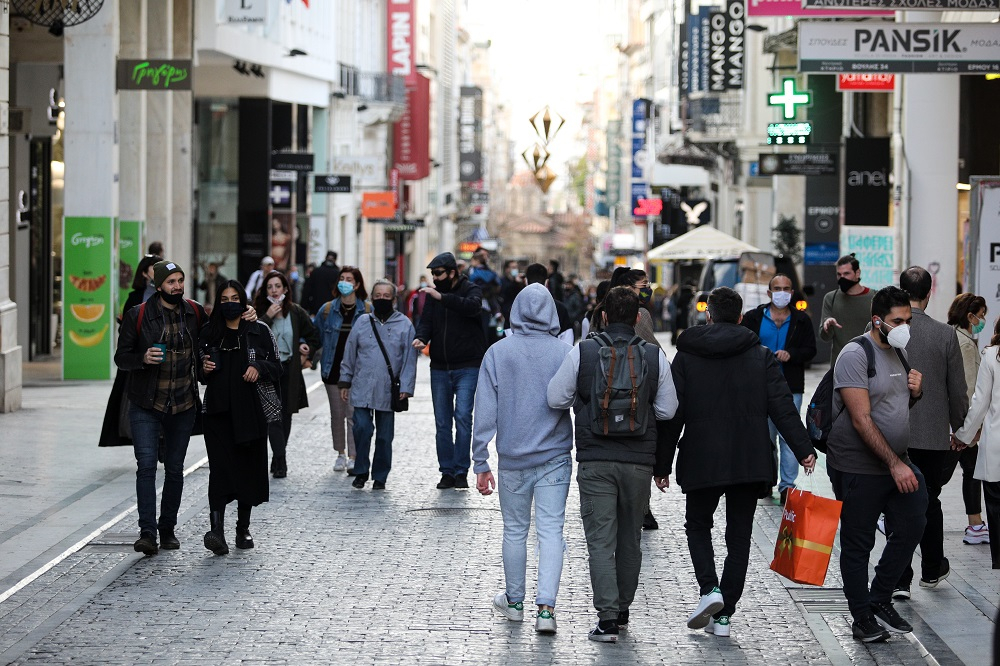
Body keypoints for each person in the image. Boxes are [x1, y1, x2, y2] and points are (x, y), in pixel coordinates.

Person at [662, 286, 816, 638]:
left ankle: (709, 590)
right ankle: (725, 614)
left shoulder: (686, 356)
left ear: (709, 314)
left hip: (702, 457)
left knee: (698, 525)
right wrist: (804, 448)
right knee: (739, 536)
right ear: (741, 315)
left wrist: (661, 464)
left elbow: (673, 414)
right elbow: (783, 407)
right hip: (749, 457)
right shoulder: (760, 355)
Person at [547, 287, 678, 642]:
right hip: (638, 462)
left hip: (596, 460)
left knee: (601, 542)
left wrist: (587, 402)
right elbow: (667, 410)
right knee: (630, 538)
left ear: (603, 316)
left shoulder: (584, 352)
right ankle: (622, 609)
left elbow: (555, 397)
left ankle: (606, 620)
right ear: (638, 317)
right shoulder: (654, 355)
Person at [827, 285, 926, 643]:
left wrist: (916, 394)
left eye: (908, 320)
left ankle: (880, 597)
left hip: (897, 460)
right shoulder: (855, 354)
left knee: (915, 522)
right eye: (897, 321)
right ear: (877, 320)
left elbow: (895, 409)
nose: (904, 327)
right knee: (858, 542)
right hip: (858, 466)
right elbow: (862, 419)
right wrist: (895, 465)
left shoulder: (900, 351)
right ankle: (861, 616)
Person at [473, 284, 574, 635]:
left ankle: (514, 602)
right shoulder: (565, 352)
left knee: (515, 531)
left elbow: (484, 409)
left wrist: (480, 460)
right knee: (551, 531)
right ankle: (546, 608)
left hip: (513, 458)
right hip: (555, 456)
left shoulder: (498, 353)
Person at [114, 261, 208, 555]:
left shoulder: (194, 313)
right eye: (171, 282)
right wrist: (142, 357)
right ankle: (147, 532)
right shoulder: (138, 315)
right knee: (146, 467)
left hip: (183, 404)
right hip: (145, 403)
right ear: (158, 285)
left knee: (176, 470)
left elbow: (216, 336)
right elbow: (121, 357)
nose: (177, 286)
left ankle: (167, 528)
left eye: (180, 280)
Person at [891, 267, 968, 598]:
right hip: (934, 434)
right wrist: (961, 428)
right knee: (930, 501)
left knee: (897, 503)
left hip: (894, 433)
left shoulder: (881, 328)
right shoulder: (945, 334)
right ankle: (932, 568)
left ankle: (899, 578)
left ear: (900, 290)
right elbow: (957, 390)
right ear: (930, 291)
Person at [198, 281, 282, 555]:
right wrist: (205, 368)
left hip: (251, 411)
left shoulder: (258, 330)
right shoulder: (209, 332)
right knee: (220, 471)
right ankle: (216, 530)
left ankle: (242, 527)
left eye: (235, 298)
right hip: (218, 413)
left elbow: (277, 367)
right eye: (224, 298)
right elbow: (198, 372)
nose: (230, 302)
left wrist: (258, 366)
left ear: (243, 300)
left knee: (248, 469)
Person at [740, 274, 818, 505]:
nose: (782, 292)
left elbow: (811, 350)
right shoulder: (754, 318)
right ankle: (766, 480)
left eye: (786, 288)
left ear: (792, 293)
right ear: (768, 292)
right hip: (758, 387)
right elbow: (743, 344)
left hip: (790, 386)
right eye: (777, 288)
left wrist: (791, 354)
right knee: (764, 436)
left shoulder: (801, 320)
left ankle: (787, 486)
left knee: (788, 436)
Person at [413, 252, 487, 490]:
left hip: (467, 366)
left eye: (439, 274)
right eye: (433, 274)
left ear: (452, 272)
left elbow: (472, 308)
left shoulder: (471, 289)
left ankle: (461, 471)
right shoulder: (435, 297)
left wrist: (442, 297)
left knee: (464, 418)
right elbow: (426, 322)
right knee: (442, 422)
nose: (435, 278)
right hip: (440, 368)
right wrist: (421, 338)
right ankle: (447, 471)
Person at [339, 279, 417, 490]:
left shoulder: (405, 325)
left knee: (384, 437)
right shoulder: (362, 322)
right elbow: (350, 352)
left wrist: (406, 387)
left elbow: (410, 358)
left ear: (394, 299)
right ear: (372, 298)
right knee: (361, 429)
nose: (382, 299)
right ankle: (361, 470)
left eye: (386, 296)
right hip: (362, 386)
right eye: (378, 295)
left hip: (389, 389)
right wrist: (345, 381)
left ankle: (381, 475)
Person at [255, 270, 321, 478]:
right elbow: (252, 336)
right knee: (272, 417)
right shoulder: (259, 312)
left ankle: (277, 457)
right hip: (267, 371)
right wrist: (268, 317)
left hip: (289, 370)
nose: (274, 291)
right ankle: (281, 460)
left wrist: (306, 349)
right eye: (270, 287)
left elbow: (314, 337)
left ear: (285, 289)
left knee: (285, 416)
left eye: (278, 286)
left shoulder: (296, 312)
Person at [953, 316, 1000, 570]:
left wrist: (963, 435)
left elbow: (980, 402)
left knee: (995, 504)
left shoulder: (992, 356)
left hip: (996, 447)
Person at [314, 267, 370, 474]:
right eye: (342, 279)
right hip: (332, 371)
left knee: (353, 414)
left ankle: (353, 456)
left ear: (357, 285)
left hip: (358, 372)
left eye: (349, 279)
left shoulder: (366, 310)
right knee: (337, 414)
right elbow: (315, 335)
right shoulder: (327, 310)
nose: (344, 282)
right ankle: (340, 453)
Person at [948, 293, 990, 545]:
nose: (982, 320)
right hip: (962, 423)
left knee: (971, 472)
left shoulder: (951, 335)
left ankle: (975, 523)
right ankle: (975, 524)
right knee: (954, 474)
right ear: (970, 315)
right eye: (981, 315)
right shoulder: (964, 343)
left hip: (954, 421)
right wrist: (970, 428)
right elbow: (969, 388)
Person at [820, 253, 875, 367]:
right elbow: (824, 337)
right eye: (839, 275)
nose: (842, 278)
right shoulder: (831, 298)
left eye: (846, 274)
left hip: (869, 362)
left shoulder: (875, 297)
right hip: (840, 364)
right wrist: (828, 326)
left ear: (857, 273)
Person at [522, 263, 573, 345]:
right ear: (546, 282)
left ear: (525, 281)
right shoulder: (560, 308)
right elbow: (567, 341)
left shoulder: (515, 308)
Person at [301, 251, 340, 315]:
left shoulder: (316, 271)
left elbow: (307, 290)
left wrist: (304, 306)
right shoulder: (338, 273)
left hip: (316, 307)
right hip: (332, 308)